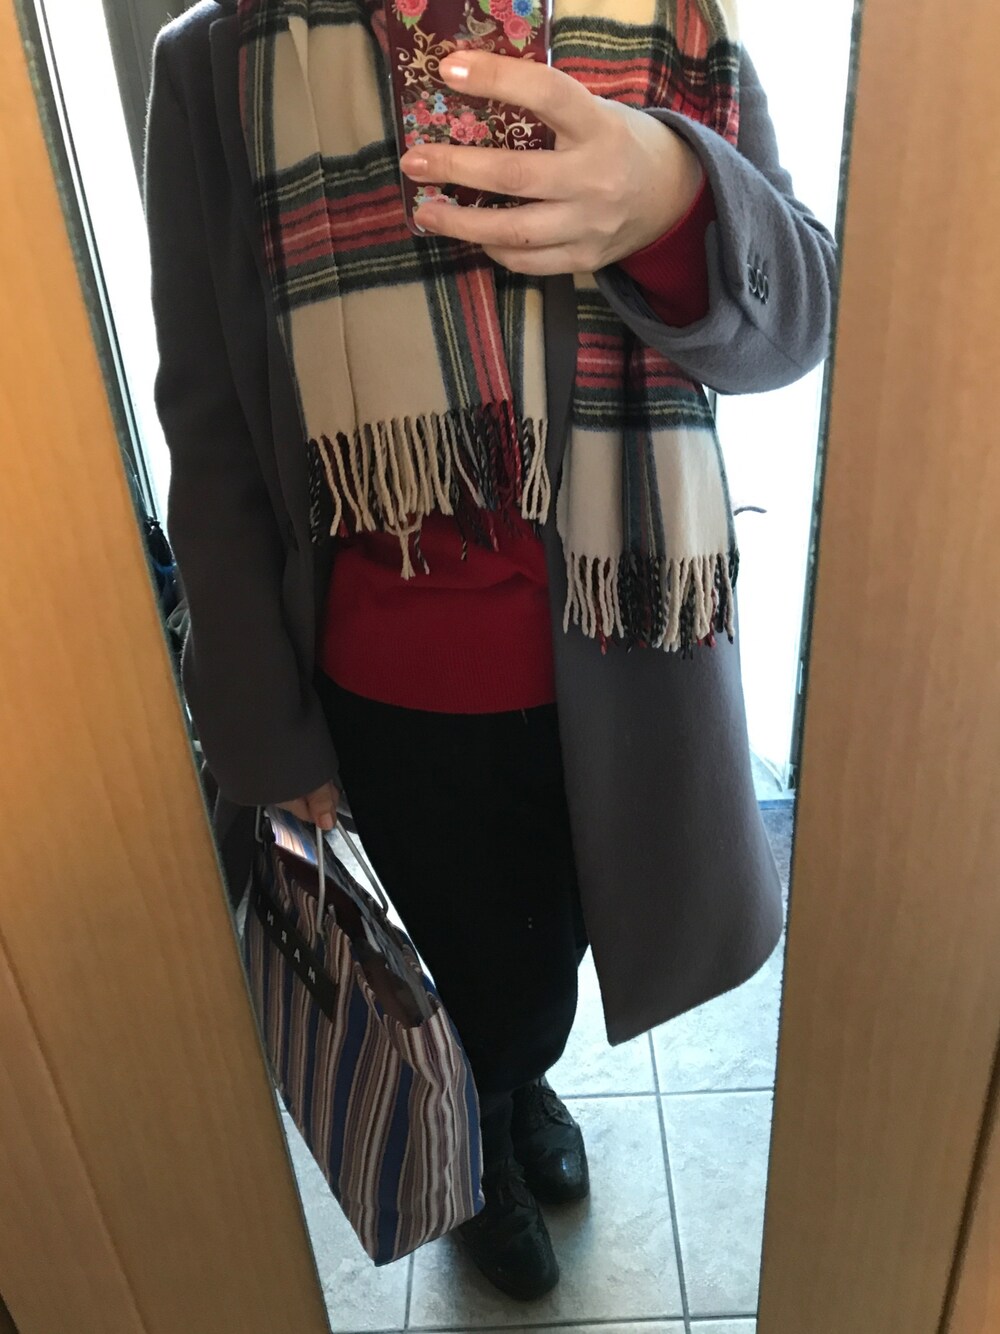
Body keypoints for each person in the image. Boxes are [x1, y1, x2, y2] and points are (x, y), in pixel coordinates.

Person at [144, 0, 836, 1301]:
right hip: (392, 691)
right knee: (471, 977)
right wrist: (261, 736)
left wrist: (670, 196)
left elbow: (793, 319)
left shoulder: (662, 21)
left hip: (629, 652)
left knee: (549, 954)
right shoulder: (218, 60)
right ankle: (483, 1143)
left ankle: (516, 1089)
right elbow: (212, 425)